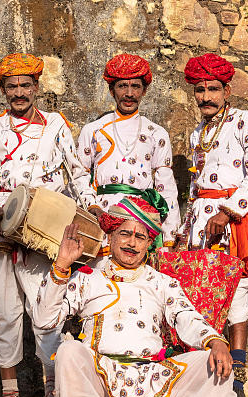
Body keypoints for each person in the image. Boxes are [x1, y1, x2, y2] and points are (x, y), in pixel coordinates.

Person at [33, 196, 239, 397]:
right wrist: (62, 266)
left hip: (153, 375)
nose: (131, 243)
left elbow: (186, 316)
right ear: (111, 235)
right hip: (102, 376)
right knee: (69, 351)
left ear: (148, 243)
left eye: (140, 236)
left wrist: (215, 341)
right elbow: (44, 321)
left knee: (212, 359)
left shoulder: (161, 282)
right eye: (125, 233)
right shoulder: (87, 277)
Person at [0, 53, 96, 397]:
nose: (20, 92)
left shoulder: (57, 126)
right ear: (4, 90)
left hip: (44, 230)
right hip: (2, 233)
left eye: (26, 85)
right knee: (4, 311)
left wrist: (89, 210)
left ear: (37, 88)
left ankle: (52, 395)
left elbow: (77, 173)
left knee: (46, 311)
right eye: (12, 86)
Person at [178, 53, 248, 397]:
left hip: (232, 222)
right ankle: (203, 373)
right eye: (199, 90)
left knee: (237, 298)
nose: (205, 96)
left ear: (227, 90)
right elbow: (193, 188)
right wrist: (183, 226)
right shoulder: (197, 133)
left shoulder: (244, 121)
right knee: (199, 296)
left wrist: (228, 212)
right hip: (199, 224)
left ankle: (236, 377)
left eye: (212, 89)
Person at [77, 53, 179, 254]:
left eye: (136, 87)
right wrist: (93, 208)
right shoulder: (93, 130)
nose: (129, 93)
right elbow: (78, 174)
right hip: (102, 217)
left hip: (142, 219)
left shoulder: (156, 133)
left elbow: (165, 185)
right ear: (111, 90)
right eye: (123, 86)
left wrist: (169, 236)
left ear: (145, 90)